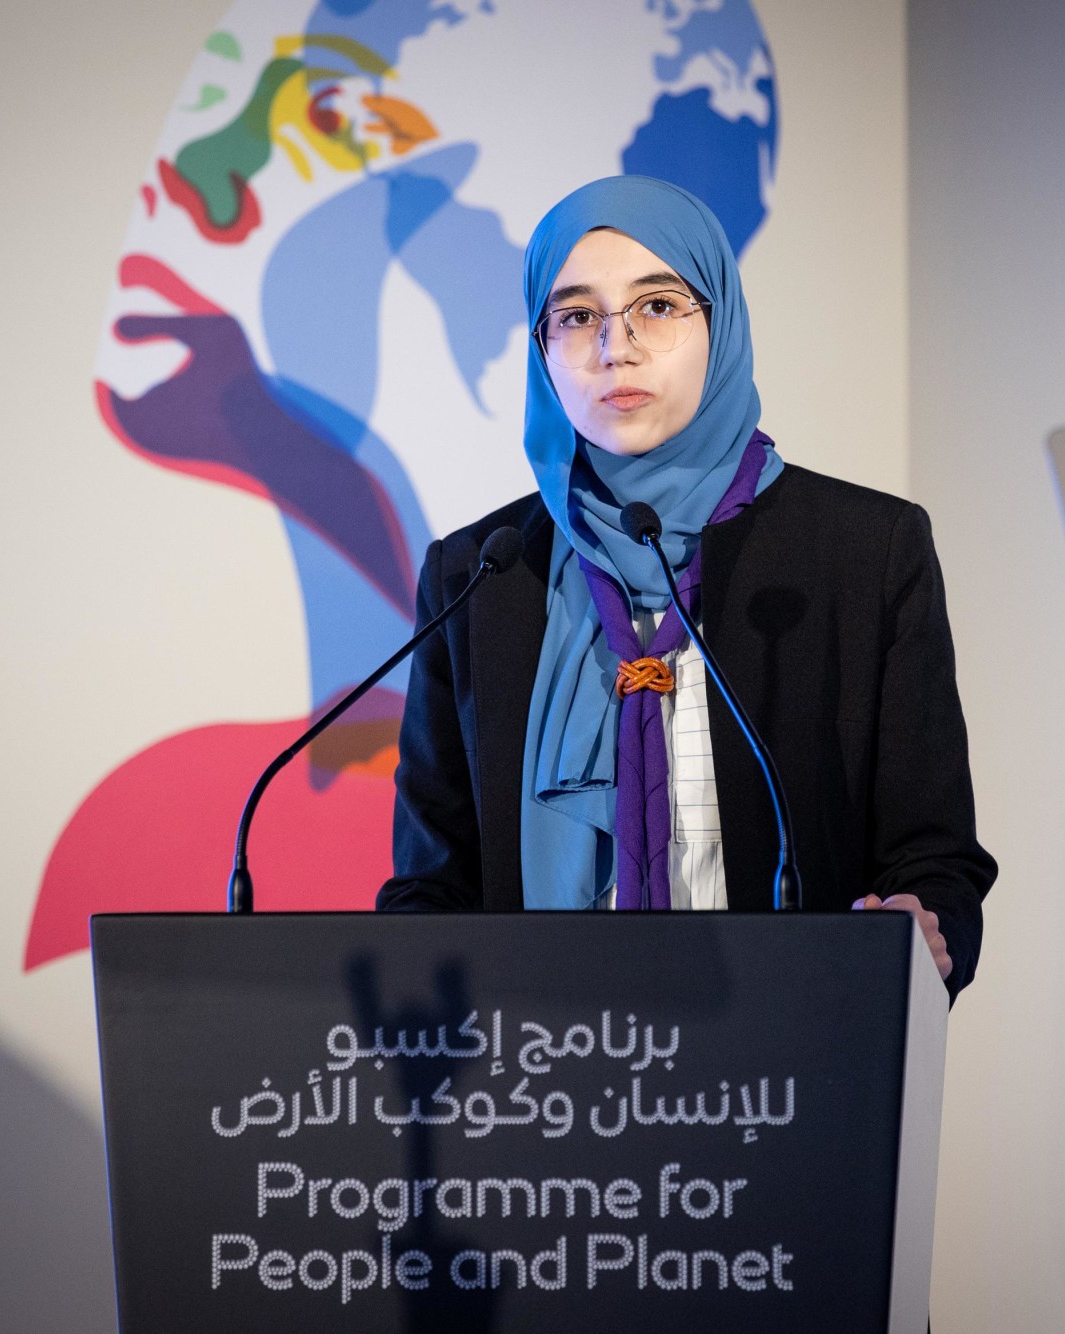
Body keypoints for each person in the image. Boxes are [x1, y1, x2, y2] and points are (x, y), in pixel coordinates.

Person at [376, 175, 996, 998]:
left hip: (788, 1060)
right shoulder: (482, 572)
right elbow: (432, 881)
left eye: (658, 306)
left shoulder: (867, 551)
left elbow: (935, 857)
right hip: (533, 1079)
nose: (615, 347)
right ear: (541, 349)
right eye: (576, 316)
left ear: (722, 323)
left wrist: (925, 926)